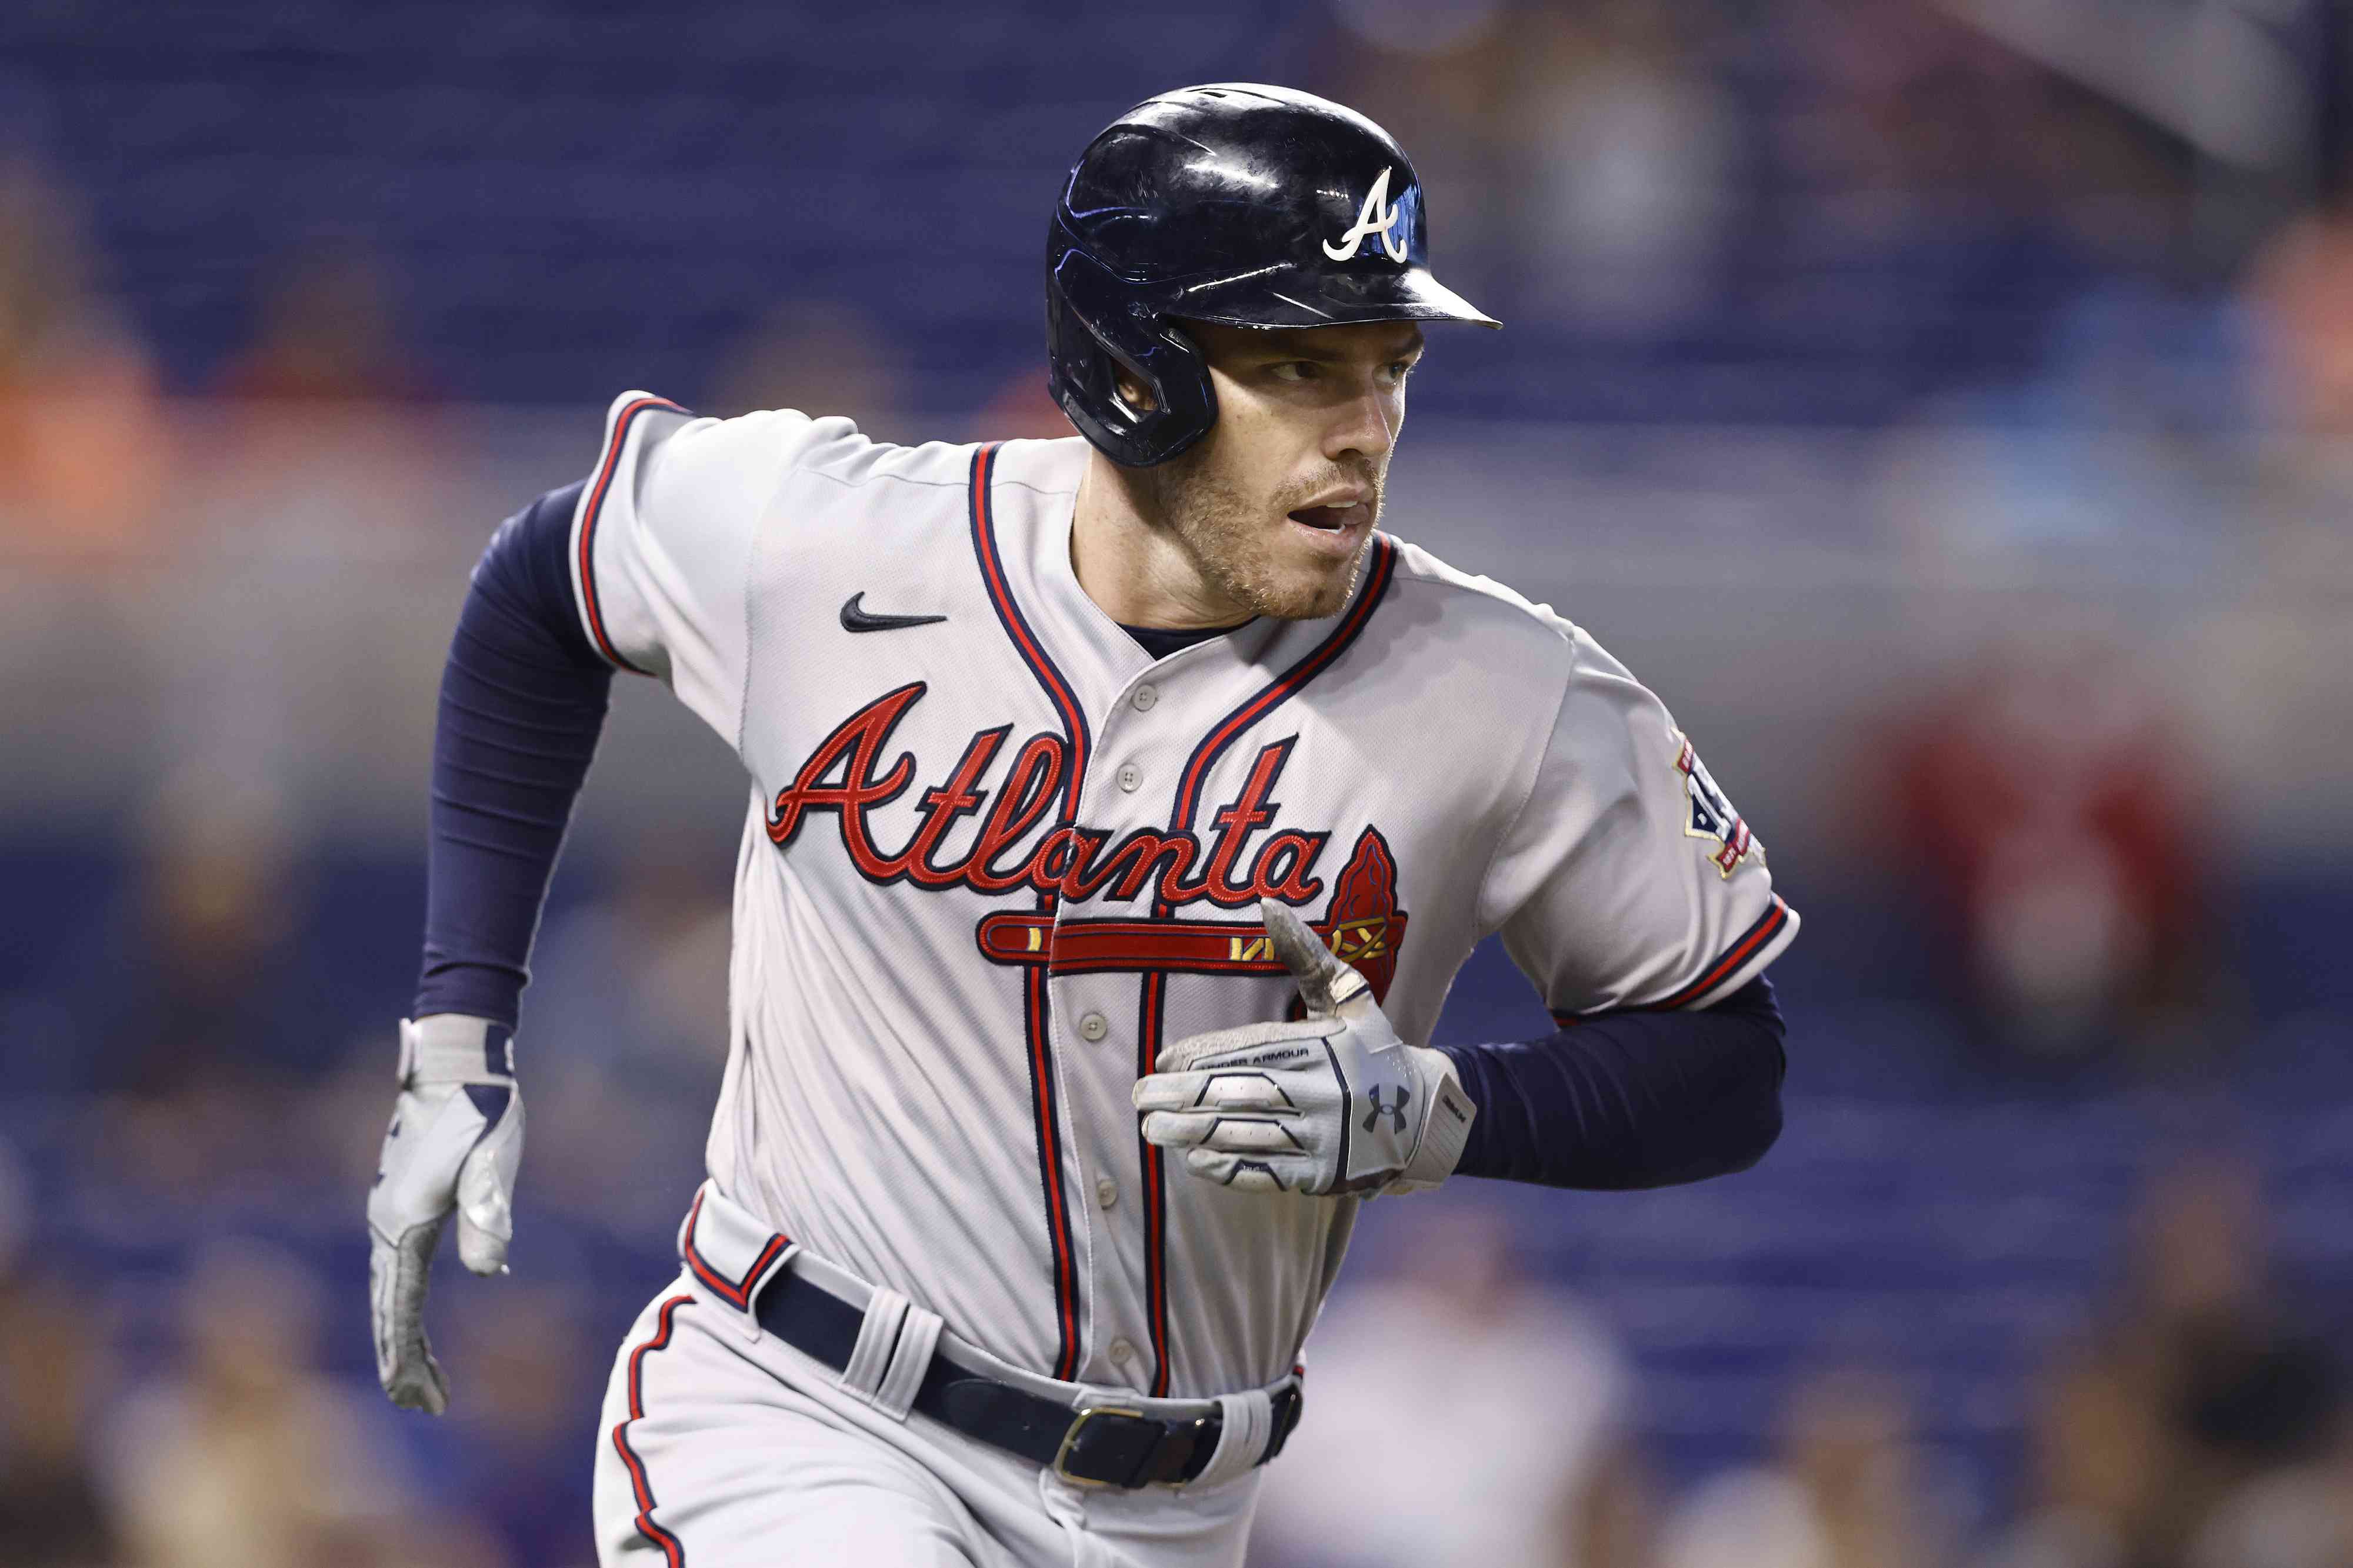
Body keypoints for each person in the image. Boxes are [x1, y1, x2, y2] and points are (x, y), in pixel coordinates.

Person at [366, 83, 1799, 1567]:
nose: (1363, 429)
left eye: (1387, 366)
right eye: (1298, 365)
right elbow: (545, 579)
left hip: (1185, 1507)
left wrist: (1439, 1111)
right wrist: (461, 1027)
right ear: (1131, 371)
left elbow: (1723, 1057)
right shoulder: (828, 540)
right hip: (803, 1424)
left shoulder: (1506, 685)